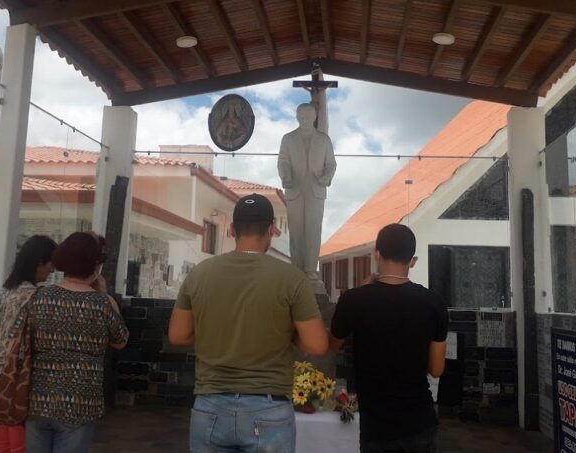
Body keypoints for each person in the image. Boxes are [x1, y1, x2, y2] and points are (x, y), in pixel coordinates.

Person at [169, 193, 328, 453]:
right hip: (269, 408)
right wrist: (284, 332)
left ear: (232, 230)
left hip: (210, 406)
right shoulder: (291, 278)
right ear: (271, 230)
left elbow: (177, 335)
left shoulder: (199, 274)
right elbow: (318, 345)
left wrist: (215, 331)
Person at [329, 224, 449, 453]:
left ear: (376, 254)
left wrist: (360, 295)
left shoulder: (353, 300)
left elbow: (333, 345)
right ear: (412, 261)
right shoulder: (434, 303)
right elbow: (436, 369)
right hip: (419, 420)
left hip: (375, 423)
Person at [23, 232, 128, 453]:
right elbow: (120, 341)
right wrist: (105, 295)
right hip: (80, 402)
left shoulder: (39, 297)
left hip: (37, 399)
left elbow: (20, 338)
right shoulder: (102, 304)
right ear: (95, 266)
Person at [0, 235, 57, 453]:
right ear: (39, 263)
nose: (52, 271)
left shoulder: (7, 289)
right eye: (50, 265)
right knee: (19, 448)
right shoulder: (32, 295)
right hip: (14, 381)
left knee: (1, 446)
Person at [277, 103, 337, 281]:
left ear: (314, 118)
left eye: (307, 116)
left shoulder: (324, 140)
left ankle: (311, 269)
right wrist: (286, 176)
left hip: (316, 190)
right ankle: (296, 268)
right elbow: (283, 161)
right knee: (296, 230)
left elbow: (331, 164)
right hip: (294, 188)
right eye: (301, 116)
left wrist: (326, 177)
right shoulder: (288, 139)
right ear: (296, 117)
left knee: (313, 229)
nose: (304, 119)